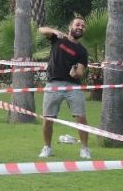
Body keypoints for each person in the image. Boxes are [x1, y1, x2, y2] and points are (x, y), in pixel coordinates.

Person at [37, 17, 91, 159]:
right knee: (48, 118)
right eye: (77, 24)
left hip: (73, 86)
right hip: (53, 84)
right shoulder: (58, 38)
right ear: (70, 26)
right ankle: (47, 148)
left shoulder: (82, 51)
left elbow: (80, 71)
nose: (80, 27)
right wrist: (54, 31)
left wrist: (76, 73)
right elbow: (41, 30)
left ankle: (85, 149)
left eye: (83, 26)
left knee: (81, 118)